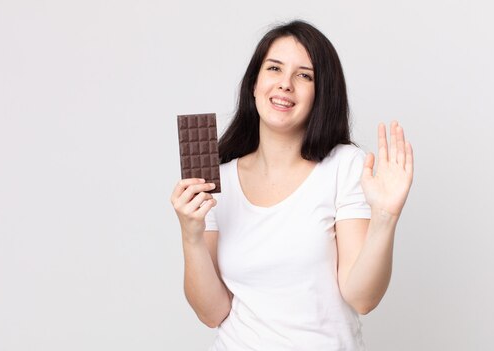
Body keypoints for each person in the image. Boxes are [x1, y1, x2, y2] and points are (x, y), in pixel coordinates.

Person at [170, 20, 414, 350]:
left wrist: (385, 219)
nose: (285, 84)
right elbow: (213, 313)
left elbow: (361, 298)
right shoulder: (217, 179)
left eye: (304, 75)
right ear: (254, 84)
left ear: (321, 94)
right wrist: (191, 234)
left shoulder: (344, 166)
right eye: (274, 69)